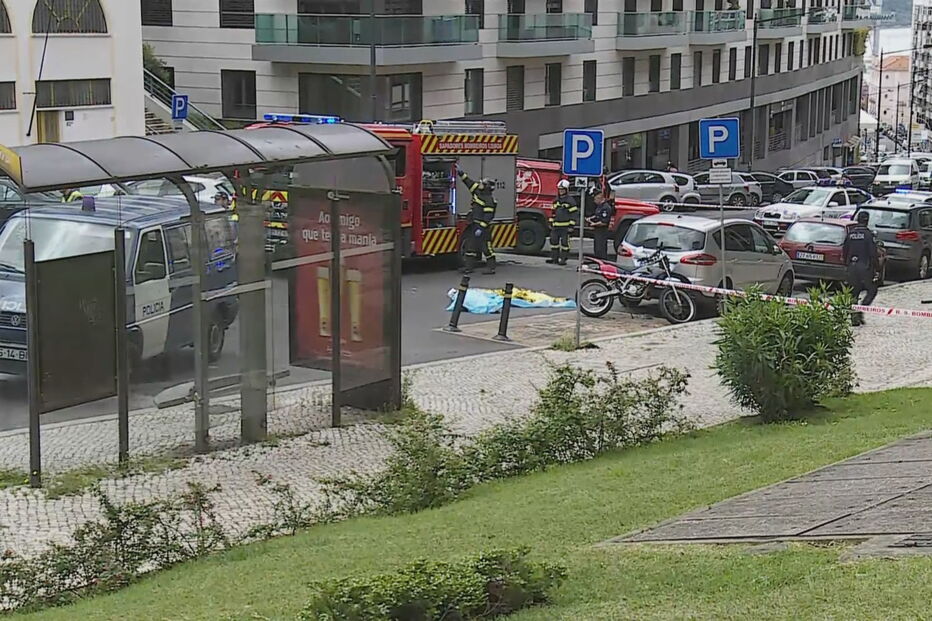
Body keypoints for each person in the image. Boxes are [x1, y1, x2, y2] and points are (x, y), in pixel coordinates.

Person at [455, 165, 498, 274]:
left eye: (482, 183)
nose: (480, 184)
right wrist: (461, 173)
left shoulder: (489, 200)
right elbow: (468, 182)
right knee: (470, 246)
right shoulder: (477, 192)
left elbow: (488, 216)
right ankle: (469, 268)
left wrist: (481, 228)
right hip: (474, 225)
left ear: (487, 187)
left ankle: (491, 268)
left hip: (483, 228)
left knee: (486, 249)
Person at [843, 210, 880, 326]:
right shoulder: (868, 235)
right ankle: (860, 311)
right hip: (865, 267)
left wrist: (847, 264)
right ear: (867, 221)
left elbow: (844, 250)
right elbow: (873, 254)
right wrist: (876, 269)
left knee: (854, 292)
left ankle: (854, 316)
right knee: (872, 290)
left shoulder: (851, 234)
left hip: (852, 267)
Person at [548, 179, 579, 266]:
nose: (561, 191)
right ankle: (554, 258)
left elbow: (574, 214)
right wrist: (550, 222)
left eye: (563, 189)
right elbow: (553, 212)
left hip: (565, 227)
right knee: (554, 242)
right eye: (560, 189)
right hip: (555, 226)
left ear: (566, 190)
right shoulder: (556, 200)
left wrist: (571, 226)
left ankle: (563, 259)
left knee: (565, 244)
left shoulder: (570, 201)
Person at [589, 188, 616, 260]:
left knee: (601, 249)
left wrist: (593, 224)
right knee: (597, 248)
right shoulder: (600, 206)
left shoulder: (606, 207)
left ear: (599, 198)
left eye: (595, 199)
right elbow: (598, 215)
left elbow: (604, 222)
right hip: (597, 231)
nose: (594, 201)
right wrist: (590, 218)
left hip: (602, 231)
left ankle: (603, 262)